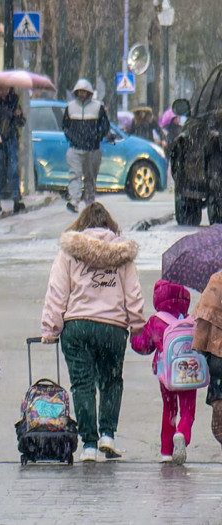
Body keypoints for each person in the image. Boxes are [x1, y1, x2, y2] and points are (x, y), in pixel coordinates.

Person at [40, 202, 145, 462]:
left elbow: (57, 292)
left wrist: (51, 329)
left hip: (77, 327)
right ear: (109, 225)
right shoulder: (122, 254)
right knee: (111, 381)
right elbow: (132, 294)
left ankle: (89, 444)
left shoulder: (69, 252)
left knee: (82, 384)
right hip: (112, 328)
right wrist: (138, 325)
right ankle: (108, 434)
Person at [131, 279, 196, 464]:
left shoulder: (155, 321)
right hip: (188, 374)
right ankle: (182, 434)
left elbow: (143, 347)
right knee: (187, 411)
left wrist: (134, 334)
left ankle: (166, 452)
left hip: (166, 375)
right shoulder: (190, 320)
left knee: (169, 410)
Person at [62, 79, 112, 214]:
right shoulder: (70, 107)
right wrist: (72, 138)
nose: (82, 94)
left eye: (84, 92)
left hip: (92, 149)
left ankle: (89, 202)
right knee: (74, 175)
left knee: (90, 177)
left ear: (89, 92)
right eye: (80, 91)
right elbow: (65, 126)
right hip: (75, 148)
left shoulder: (97, 107)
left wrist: (96, 137)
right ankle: (74, 201)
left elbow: (105, 126)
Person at [0, 86, 27, 214]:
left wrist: (17, 116)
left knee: (13, 169)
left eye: (5, 89)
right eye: (0, 88)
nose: (3, 91)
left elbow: (21, 121)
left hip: (11, 138)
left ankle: (16, 199)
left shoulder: (14, 101)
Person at [193, 270, 222, 450]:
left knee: (219, 421)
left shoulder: (217, 280)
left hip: (218, 355)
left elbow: (203, 318)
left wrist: (199, 347)